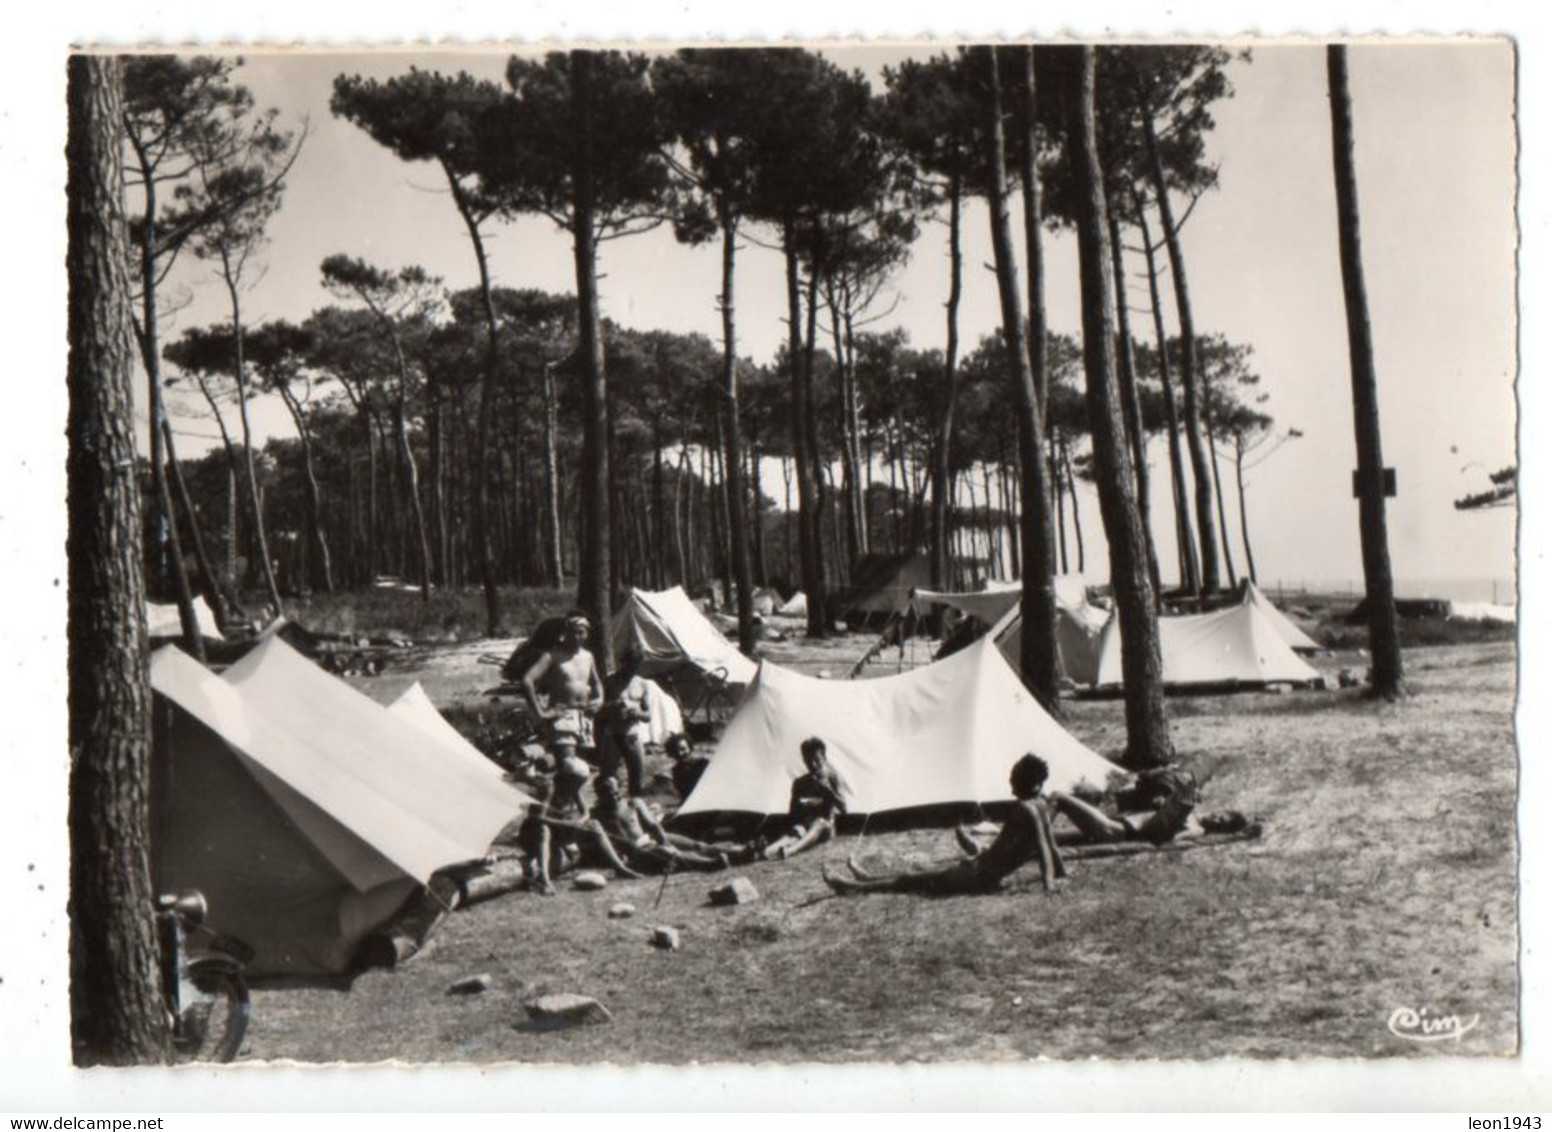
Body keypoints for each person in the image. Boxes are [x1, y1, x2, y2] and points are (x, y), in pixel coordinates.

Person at [822, 754, 1066, 897]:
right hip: (982, 871)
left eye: (1015, 778)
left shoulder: (1025, 809)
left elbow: (1044, 848)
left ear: (1029, 783)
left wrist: (1049, 885)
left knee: (911, 880)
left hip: (977, 876)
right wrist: (1060, 873)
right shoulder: (1041, 806)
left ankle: (854, 887)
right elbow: (1049, 845)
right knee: (916, 876)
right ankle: (868, 878)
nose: (1011, 782)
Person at [1046, 765, 1211, 847]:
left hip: (1115, 831)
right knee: (1054, 837)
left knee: (1059, 798)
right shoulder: (1190, 813)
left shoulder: (1196, 828)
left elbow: (1167, 840)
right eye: (1220, 815)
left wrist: (1178, 815)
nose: (1216, 817)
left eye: (1222, 820)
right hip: (1115, 823)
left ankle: (1030, 838)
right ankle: (1032, 836)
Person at [521, 609, 604, 766]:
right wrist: (540, 712)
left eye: (581, 632)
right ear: (566, 632)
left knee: (581, 769)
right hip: (563, 716)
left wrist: (600, 698)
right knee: (571, 766)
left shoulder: (588, 656)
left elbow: (596, 682)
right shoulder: (553, 655)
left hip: (585, 717)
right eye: (572, 632)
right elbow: (527, 680)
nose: (577, 637)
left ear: (587, 633)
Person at [762, 737, 848, 860]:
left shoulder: (833, 778)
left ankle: (790, 851)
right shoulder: (800, 783)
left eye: (817, 760)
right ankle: (768, 851)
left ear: (824, 757)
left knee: (820, 823)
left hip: (825, 826)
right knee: (795, 832)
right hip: (805, 825)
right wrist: (802, 806)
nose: (813, 765)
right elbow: (792, 813)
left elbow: (844, 808)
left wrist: (830, 792)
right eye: (808, 761)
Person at [597, 642, 651, 798]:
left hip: (633, 735)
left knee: (637, 780)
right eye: (630, 665)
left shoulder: (642, 683)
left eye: (636, 666)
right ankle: (610, 813)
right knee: (609, 780)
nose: (632, 669)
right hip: (613, 735)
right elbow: (597, 711)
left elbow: (648, 716)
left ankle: (635, 812)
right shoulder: (610, 681)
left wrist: (637, 713)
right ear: (623, 662)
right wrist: (613, 706)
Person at [665, 733, 709, 802]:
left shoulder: (703, 764)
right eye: (676, 751)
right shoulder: (676, 772)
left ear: (690, 748)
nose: (680, 753)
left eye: (683, 749)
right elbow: (684, 795)